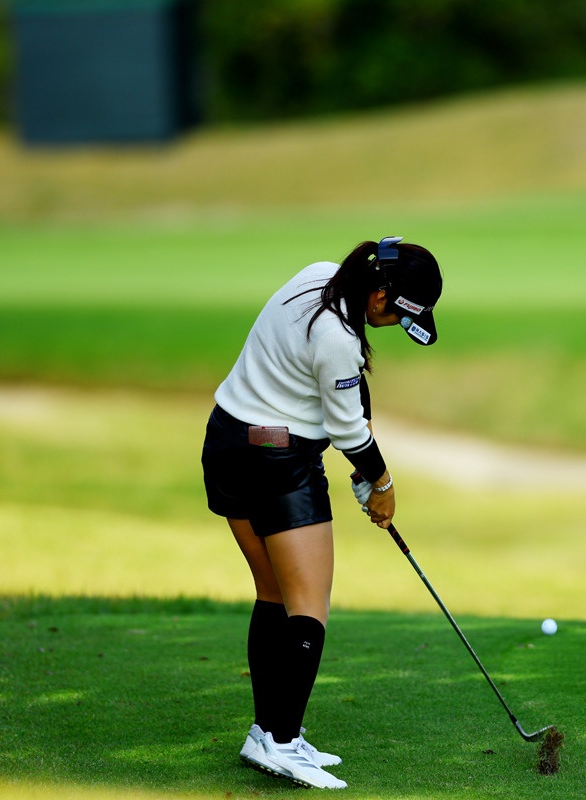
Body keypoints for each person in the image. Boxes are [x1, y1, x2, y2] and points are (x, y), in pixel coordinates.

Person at [201, 237, 442, 789]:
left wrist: (361, 471)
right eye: (396, 314)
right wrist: (380, 484)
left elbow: (349, 395)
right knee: (309, 607)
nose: (391, 325)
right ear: (380, 294)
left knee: (273, 593)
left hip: (227, 444)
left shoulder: (321, 276)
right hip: (278, 463)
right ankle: (283, 742)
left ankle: (268, 732)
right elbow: (348, 430)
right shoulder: (337, 337)